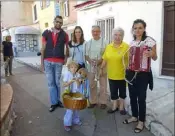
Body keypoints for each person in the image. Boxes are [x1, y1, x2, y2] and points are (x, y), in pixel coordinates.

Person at [123, 19, 157, 133]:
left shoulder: (150, 41)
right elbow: (130, 57)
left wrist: (151, 53)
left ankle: (141, 121)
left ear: (144, 29)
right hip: (131, 72)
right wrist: (127, 67)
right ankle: (134, 116)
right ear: (133, 29)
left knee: (141, 98)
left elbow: (155, 57)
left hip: (143, 74)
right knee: (132, 96)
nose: (137, 30)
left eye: (140, 28)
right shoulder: (132, 42)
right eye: (135, 28)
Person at [40, 15, 69, 112]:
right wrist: (42, 63)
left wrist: (65, 58)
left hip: (59, 62)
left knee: (57, 82)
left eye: (60, 22)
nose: (58, 24)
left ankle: (57, 100)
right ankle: (54, 103)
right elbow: (43, 48)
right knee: (51, 83)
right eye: (57, 21)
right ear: (54, 21)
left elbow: (67, 48)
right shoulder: (46, 33)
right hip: (47, 61)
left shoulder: (65, 35)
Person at [99, 27, 129, 115]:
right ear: (112, 36)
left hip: (122, 75)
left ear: (122, 36)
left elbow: (131, 60)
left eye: (120, 35)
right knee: (113, 91)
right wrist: (101, 68)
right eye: (115, 35)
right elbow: (105, 59)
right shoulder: (109, 47)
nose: (117, 37)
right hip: (111, 74)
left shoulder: (126, 47)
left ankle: (121, 106)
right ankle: (114, 106)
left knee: (122, 92)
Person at [85, 25, 108, 109]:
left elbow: (106, 54)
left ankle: (103, 102)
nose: (95, 33)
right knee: (92, 84)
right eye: (93, 31)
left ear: (100, 32)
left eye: (97, 31)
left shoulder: (105, 42)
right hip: (91, 67)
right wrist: (91, 61)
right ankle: (93, 101)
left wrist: (100, 61)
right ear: (91, 32)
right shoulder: (88, 43)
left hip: (102, 65)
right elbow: (86, 55)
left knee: (103, 85)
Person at [63, 61, 90, 132]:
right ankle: (67, 124)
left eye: (75, 67)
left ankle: (76, 120)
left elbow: (78, 86)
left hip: (76, 94)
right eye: (72, 67)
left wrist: (78, 81)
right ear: (69, 68)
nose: (74, 69)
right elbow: (64, 84)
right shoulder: (67, 74)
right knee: (70, 109)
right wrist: (71, 81)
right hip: (69, 94)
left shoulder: (77, 74)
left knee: (76, 108)